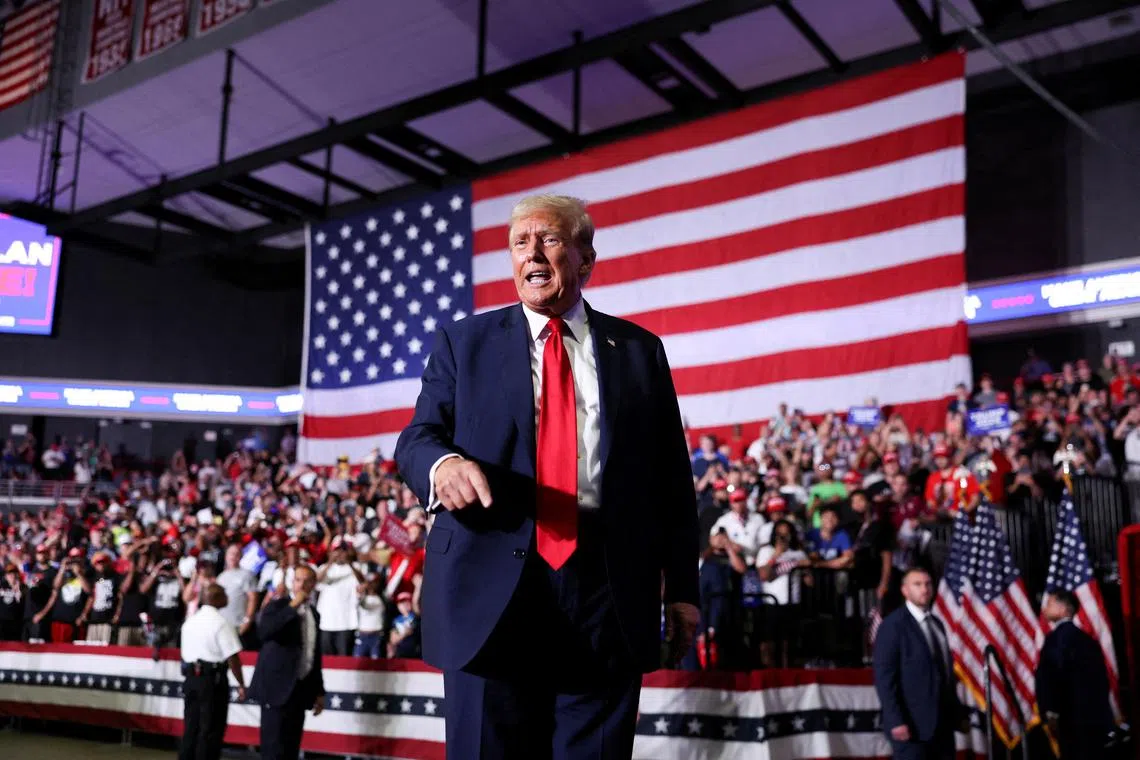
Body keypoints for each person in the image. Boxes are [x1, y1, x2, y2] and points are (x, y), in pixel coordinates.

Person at [394, 194, 699, 759]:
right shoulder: (464, 344)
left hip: (606, 594)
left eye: (550, 239)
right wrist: (445, 465)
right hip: (490, 592)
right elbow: (416, 439)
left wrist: (682, 591)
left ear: (585, 259)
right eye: (519, 242)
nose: (532, 252)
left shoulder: (639, 351)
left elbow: (672, 484)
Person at [872, 567, 966, 760]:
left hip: (942, 726)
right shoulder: (893, 626)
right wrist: (896, 720)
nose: (924, 589)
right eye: (917, 584)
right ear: (905, 590)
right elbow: (885, 679)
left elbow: (945, 674)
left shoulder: (937, 624)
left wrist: (957, 713)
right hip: (911, 726)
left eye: (928, 584)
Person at [249, 565, 325, 760]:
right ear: (293, 582)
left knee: (291, 749)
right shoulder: (278, 606)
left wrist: (319, 691)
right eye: (298, 580)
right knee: (273, 749)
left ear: (313, 584)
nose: (302, 585)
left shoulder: (314, 614)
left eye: (307, 581)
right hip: (276, 689)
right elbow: (265, 631)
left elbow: (313, 654)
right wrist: (292, 607)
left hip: (298, 690)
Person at [1035, 589, 1116, 759]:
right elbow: (1102, 682)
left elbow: (1052, 678)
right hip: (1094, 720)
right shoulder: (1088, 640)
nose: (1044, 608)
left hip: (1068, 719)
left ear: (1064, 609)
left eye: (1049, 604)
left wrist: (1051, 711)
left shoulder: (1055, 640)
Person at [180, 583, 247, 760]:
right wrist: (241, 683)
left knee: (191, 727)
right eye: (224, 593)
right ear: (215, 598)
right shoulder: (221, 623)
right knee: (210, 729)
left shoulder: (190, 621)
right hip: (212, 680)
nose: (228, 597)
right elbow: (232, 657)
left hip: (191, 678)